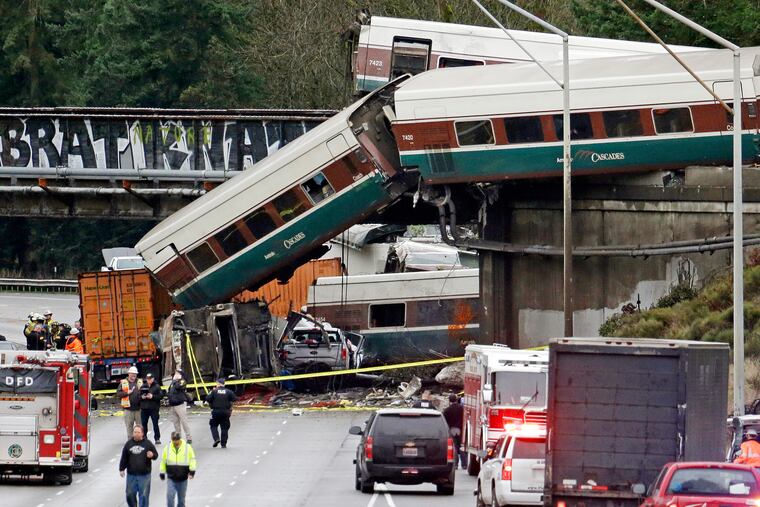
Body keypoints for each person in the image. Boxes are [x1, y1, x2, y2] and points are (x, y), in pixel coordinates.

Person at [119, 425, 158, 507]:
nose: (136, 434)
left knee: (143, 496)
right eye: (135, 432)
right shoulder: (128, 444)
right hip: (131, 475)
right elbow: (124, 457)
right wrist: (121, 469)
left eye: (138, 432)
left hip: (144, 475)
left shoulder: (148, 444)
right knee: (129, 495)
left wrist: (152, 455)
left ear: (142, 433)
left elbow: (155, 455)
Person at [160, 431, 196, 507]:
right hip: (171, 477)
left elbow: (192, 459)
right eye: (173, 439)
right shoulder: (168, 448)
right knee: (170, 497)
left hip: (183, 478)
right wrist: (162, 472)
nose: (175, 441)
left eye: (176, 439)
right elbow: (163, 461)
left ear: (179, 439)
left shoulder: (187, 447)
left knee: (181, 501)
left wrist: (192, 472)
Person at [206, 378, 237, 448]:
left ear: (218, 384)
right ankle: (223, 444)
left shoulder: (214, 391)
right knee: (224, 428)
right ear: (224, 384)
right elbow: (235, 399)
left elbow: (207, 398)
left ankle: (216, 438)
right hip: (225, 412)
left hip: (215, 411)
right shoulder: (229, 391)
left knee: (213, 425)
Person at [167, 370, 192, 444]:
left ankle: (189, 437)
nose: (175, 375)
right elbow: (170, 391)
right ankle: (178, 438)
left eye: (177, 373)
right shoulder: (173, 382)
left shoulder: (182, 381)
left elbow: (179, 387)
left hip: (180, 404)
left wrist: (176, 380)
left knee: (184, 421)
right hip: (173, 405)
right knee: (176, 423)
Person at [443, 394, 467, 469]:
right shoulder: (462, 408)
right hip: (460, 429)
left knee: (454, 447)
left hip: (452, 429)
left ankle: (456, 464)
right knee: (461, 447)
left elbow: (444, 421)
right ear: (456, 400)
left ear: (449, 400)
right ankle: (464, 464)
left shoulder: (447, 410)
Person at [119, 366, 144, 438]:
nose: (134, 375)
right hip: (128, 409)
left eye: (135, 374)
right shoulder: (123, 382)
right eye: (132, 373)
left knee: (139, 426)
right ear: (129, 374)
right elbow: (118, 394)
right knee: (129, 426)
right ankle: (130, 441)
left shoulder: (140, 382)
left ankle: (140, 439)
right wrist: (127, 393)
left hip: (138, 409)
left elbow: (144, 391)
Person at [140, 373, 163, 445]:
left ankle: (157, 438)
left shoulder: (157, 386)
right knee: (144, 424)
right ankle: (144, 437)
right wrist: (142, 397)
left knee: (155, 423)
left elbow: (161, 396)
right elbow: (139, 395)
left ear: (153, 379)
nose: (148, 380)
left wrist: (152, 396)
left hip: (154, 408)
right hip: (144, 408)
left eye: (150, 379)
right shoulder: (143, 386)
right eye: (147, 379)